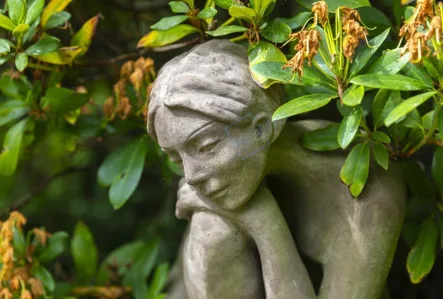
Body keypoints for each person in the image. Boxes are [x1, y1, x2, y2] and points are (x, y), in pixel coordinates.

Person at [147, 40, 406, 299]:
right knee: (212, 230)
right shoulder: (226, 187)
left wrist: (265, 224)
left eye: (205, 146)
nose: (191, 176)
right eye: (177, 159)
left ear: (261, 128)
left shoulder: (368, 198)